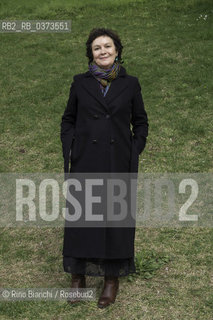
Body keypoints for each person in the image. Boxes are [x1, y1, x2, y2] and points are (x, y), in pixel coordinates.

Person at [60, 27, 148, 308]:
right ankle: (78, 276)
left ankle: (111, 278)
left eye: (107, 46)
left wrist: (133, 150)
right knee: (82, 217)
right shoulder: (79, 83)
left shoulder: (130, 83)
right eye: (97, 48)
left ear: (117, 50)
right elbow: (68, 119)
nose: (103, 51)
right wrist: (72, 147)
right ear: (91, 54)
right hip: (86, 159)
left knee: (114, 217)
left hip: (117, 161)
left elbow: (141, 122)